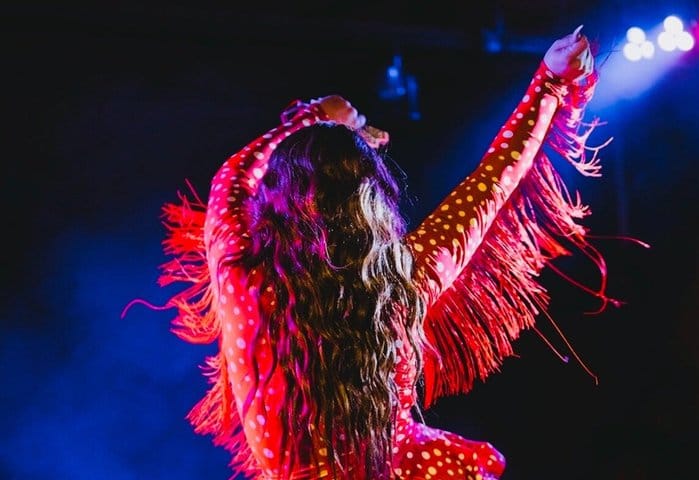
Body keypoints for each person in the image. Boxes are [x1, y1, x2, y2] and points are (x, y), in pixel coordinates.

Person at [135, 25, 608, 479]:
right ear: (373, 205)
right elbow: (493, 182)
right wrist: (548, 83)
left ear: (280, 201)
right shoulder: (402, 281)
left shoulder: (246, 275)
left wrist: (311, 118)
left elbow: (232, 179)